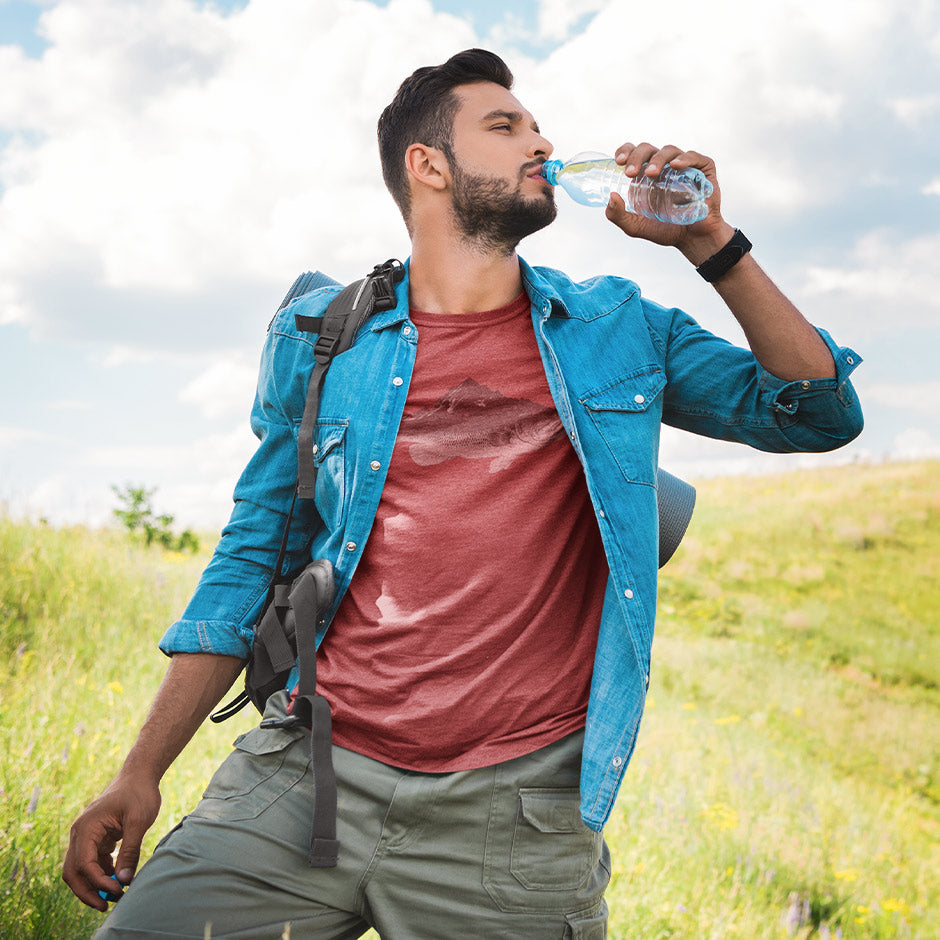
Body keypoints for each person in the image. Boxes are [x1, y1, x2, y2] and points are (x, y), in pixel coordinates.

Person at [63, 48, 863, 939]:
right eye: (505, 125)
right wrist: (141, 769)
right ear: (428, 165)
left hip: (514, 818)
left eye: (535, 124)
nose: (542, 139)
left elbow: (818, 412)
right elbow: (253, 554)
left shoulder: (616, 325)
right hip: (308, 771)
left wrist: (710, 240)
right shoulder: (321, 336)